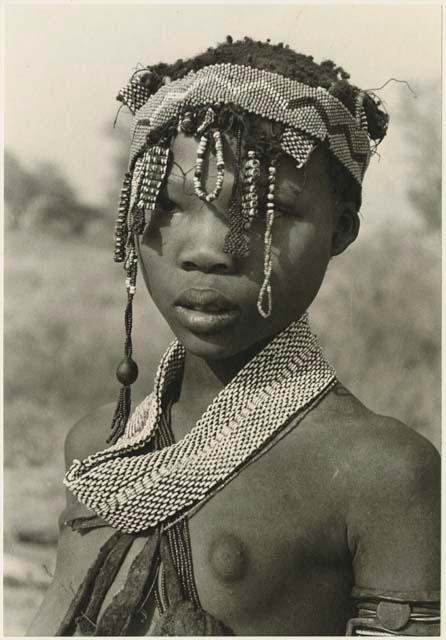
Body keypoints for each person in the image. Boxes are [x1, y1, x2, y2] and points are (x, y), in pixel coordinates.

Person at [29, 37, 440, 636]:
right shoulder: (99, 451)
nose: (208, 252)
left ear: (341, 231)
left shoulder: (380, 471)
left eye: (264, 212)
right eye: (167, 206)